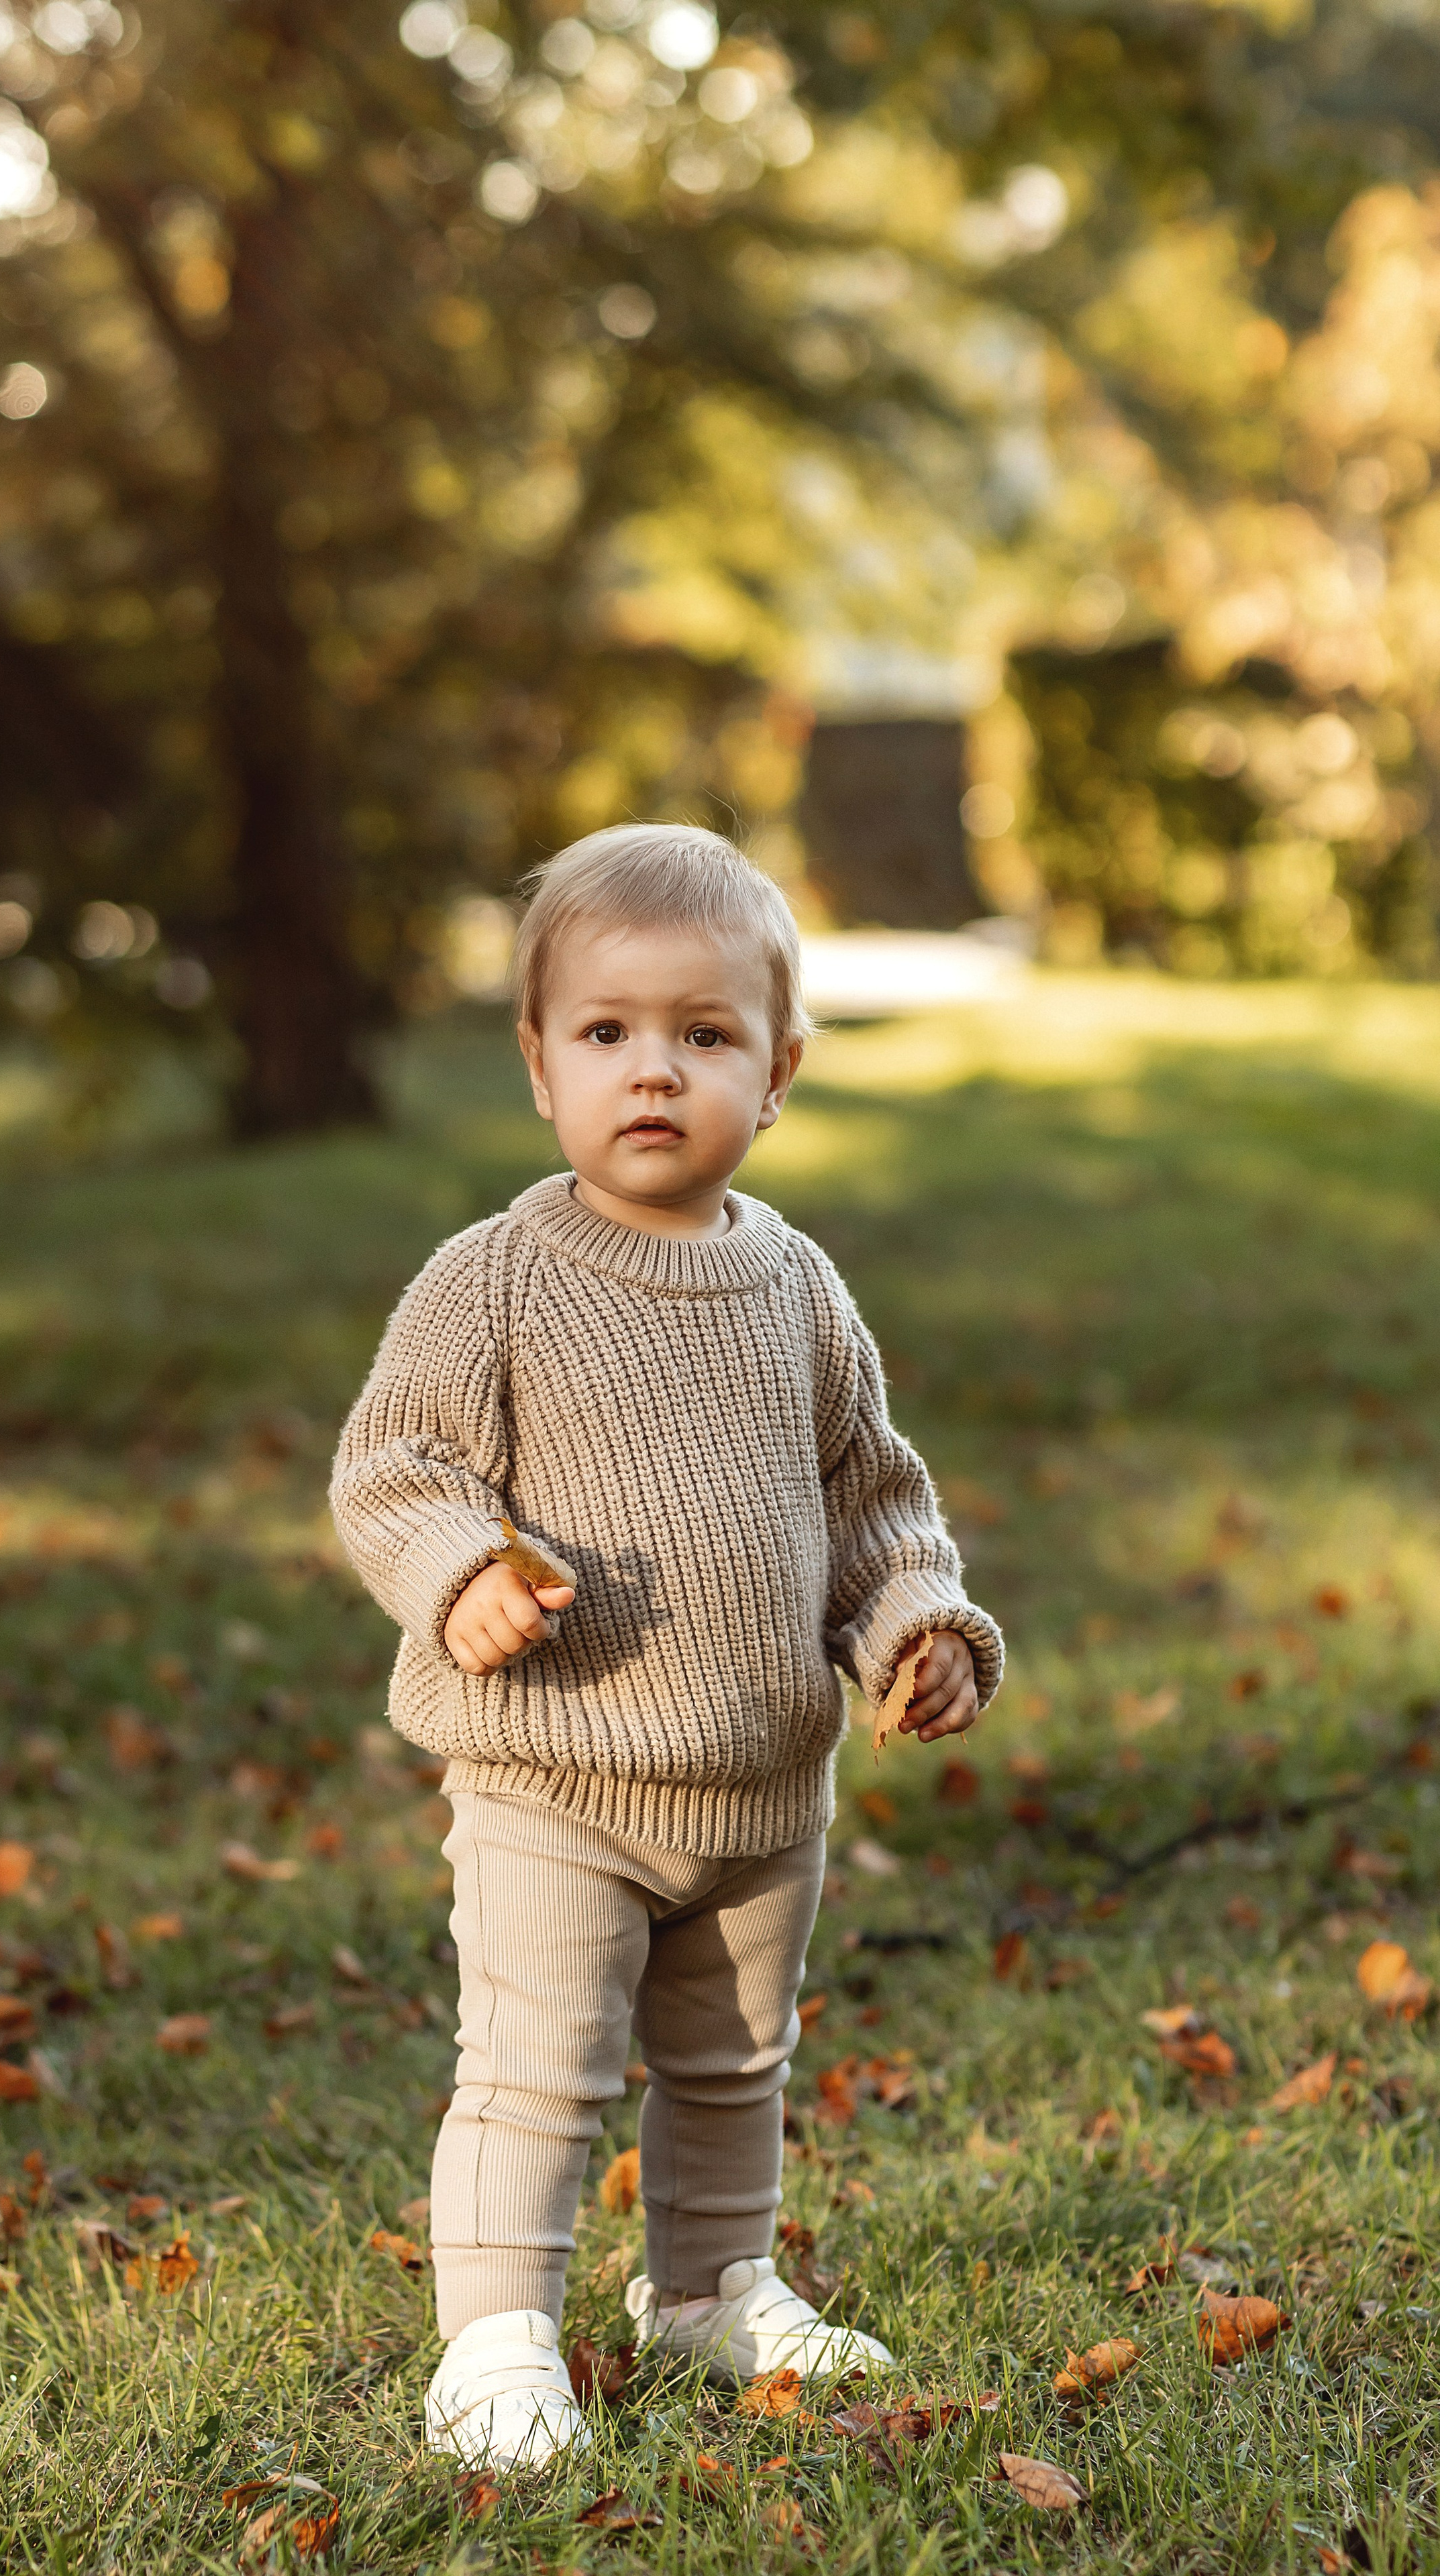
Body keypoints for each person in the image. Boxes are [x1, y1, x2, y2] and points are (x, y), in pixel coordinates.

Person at [330, 824, 1002, 2468]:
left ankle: (707, 2287)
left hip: (762, 1785)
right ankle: (494, 2346)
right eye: (606, 1033)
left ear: (775, 1074)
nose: (654, 1072)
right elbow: (391, 1467)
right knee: (535, 2072)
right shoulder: (491, 1280)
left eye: (703, 1037)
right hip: (554, 1773)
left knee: (729, 2064)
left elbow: (869, 1503)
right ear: (537, 1064)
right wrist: (459, 1569)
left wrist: (915, 1621)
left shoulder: (794, 1288)